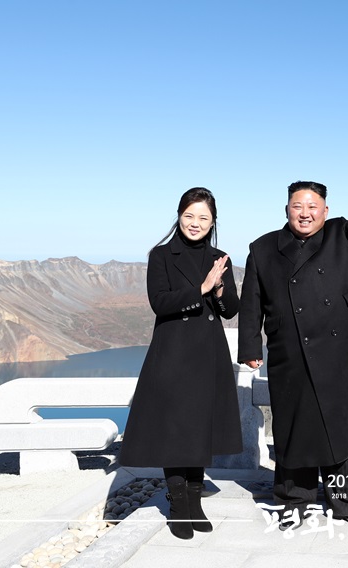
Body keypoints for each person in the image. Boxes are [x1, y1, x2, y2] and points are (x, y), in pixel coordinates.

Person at [238, 158, 348, 531]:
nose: (305, 214)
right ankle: (294, 501)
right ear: (286, 209)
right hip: (290, 351)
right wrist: (250, 348)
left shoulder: (343, 234)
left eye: (312, 207)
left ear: (326, 210)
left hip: (342, 354)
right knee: (294, 428)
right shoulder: (263, 248)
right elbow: (251, 301)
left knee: (344, 427)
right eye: (298, 206)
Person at [119, 187, 242, 540]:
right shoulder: (161, 256)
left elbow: (231, 309)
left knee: (198, 429)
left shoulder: (221, 257)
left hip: (207, 352)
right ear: (179, 215)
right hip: (172, 353)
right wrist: (202, 288)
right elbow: (160, 302)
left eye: (203, 218)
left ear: (212, 222)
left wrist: (218, 290)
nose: (195, 223)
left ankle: (195, 502)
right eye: (189, 215)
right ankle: (177, 506)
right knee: (175, 431)